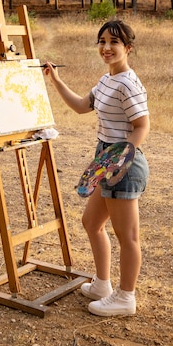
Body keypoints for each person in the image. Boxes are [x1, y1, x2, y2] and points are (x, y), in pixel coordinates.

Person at [44, 19, 150, 317]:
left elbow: (142, 126)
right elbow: (81, 106)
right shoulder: (107, 81)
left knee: (127, 236)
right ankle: (103, 284)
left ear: (128, 47)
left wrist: (119, 160)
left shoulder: (127, 83)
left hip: (123, 164)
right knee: (91, 223)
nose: (106, 47)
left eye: (114, 42)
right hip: (105, 161)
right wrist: (55, 80)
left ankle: (125, 297)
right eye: (102, 41)